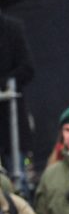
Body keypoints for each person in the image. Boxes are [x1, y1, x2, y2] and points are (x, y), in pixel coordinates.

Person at [0, 11, 34, 170]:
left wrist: (5, 81)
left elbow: (27, 69)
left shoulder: (12, 28)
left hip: (9, 121)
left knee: (16, 174)